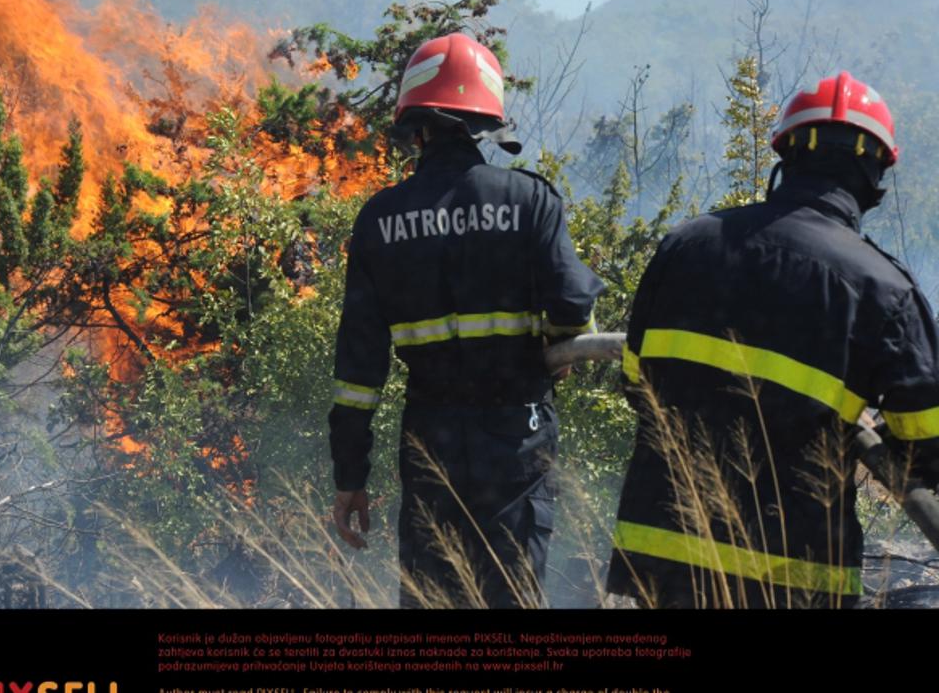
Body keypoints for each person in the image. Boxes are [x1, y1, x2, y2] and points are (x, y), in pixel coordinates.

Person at [608, 71, 939, 609]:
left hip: (663, 555)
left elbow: (635, 380)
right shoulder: (882, 288)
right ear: (877, 172)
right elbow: (928, 443)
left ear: (786, 153)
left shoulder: (686, 245)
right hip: (792, 575)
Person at [327, 32, 604, 608]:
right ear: (487, 123)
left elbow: (358, 369)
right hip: (517, 433)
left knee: (431, 593)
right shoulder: (530, 200)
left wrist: (350, 476)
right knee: (511, 593)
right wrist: (555, 350)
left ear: (416, 125)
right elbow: (573, 302)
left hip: (432, 434)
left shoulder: (380, 220)